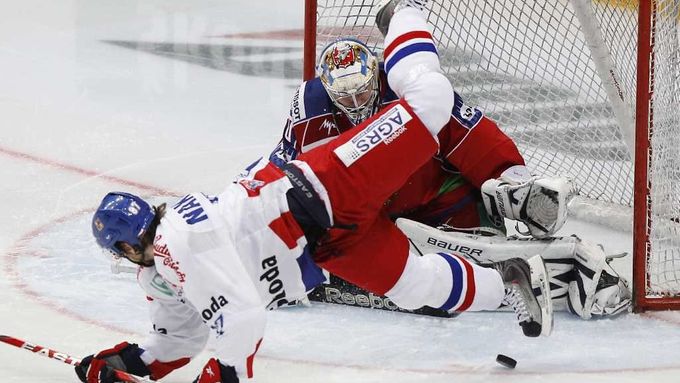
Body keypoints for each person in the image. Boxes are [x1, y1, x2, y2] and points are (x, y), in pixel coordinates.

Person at [77, 2, 554, 383]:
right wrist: (126, 364)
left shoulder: (175, 242)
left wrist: (220, 374)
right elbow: (177, 343)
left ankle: (402, 14)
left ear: (123, 246)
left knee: (430, 102)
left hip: (326, 188)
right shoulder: (163, 274)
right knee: (415, 288)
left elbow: (242, 321)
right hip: (329, 247)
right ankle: (511, 279)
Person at [261, 11, 631, 319]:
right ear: (328, 91)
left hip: (437, 196)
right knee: (406, 278)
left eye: (362, 91)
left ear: (376, 73)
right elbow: (286, 169)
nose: (356, 104)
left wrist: (511, 177)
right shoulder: (311, 109)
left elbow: (469, 133)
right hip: (368, 218)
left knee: (438, 259)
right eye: (346, 97)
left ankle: (515, 260)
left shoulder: (409, 91)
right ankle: (503, 277)